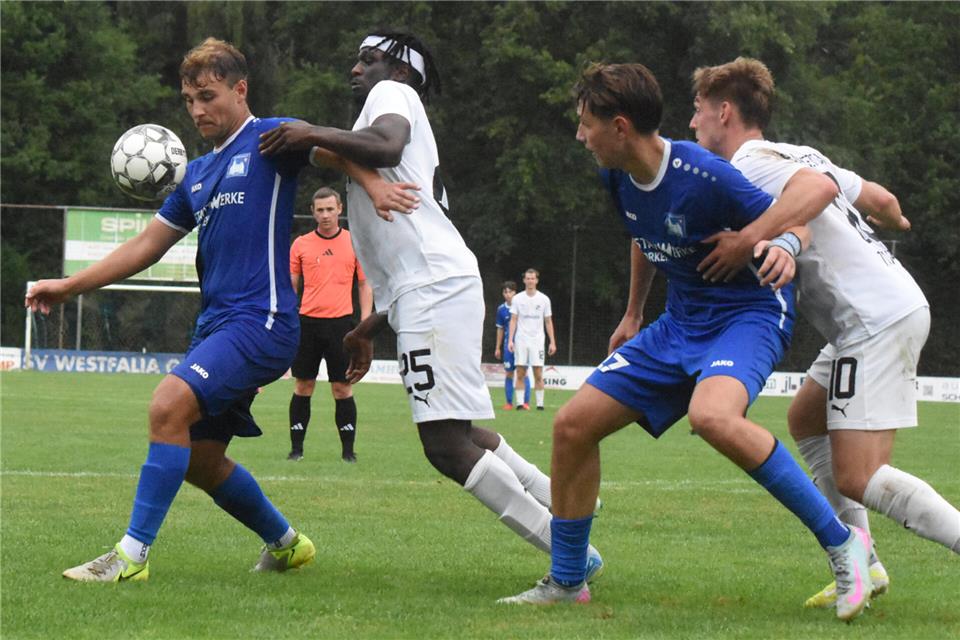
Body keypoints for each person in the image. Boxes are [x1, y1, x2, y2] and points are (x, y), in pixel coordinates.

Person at [25, 38, 415, 582]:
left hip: (264, 321)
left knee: (167, 407)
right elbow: (146, 247)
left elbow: (334, 152)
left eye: (207, 96)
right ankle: (286, 544)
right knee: (201, 459)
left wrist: (372, 186)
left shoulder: (269, 140)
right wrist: (69, 285)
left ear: (240, 89)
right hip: (216, 326)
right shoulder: (198, 176)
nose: (197, 110)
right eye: (188, 100)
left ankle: (130, 558)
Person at [501, 62, 875, 622]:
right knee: (572, 426)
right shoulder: (616, 174)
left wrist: (782, 247)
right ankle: (568, 578)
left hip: (747, 315)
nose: (580, 136)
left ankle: (845, 544)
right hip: (679, 323)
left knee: (713, 417)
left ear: (620, 126)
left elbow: (800, 220)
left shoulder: (705, 173)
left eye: (586, 124)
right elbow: (642, 234)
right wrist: (632, 313)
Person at [258, 29, 603, 577]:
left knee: (444, 445)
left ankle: (571, 557)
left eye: (369, 60)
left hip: (435, 289)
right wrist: (370, 327)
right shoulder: (387, 110)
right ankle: (569, 502)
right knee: (460, 434)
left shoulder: (392, 96)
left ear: (401, 71)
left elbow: (384, 146)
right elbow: (380, 192)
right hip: (438, 284)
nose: (356, 69)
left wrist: (308, 131)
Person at [689, 57, 960, 608]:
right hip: (883, 304)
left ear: (724, 110)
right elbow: (882, 201)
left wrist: (751, 239)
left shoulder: (750, 161)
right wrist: (896, 223)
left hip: (872, 319)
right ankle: (867, 563)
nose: (692, 124)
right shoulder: (796, 152)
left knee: (860, 475)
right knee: (805, 415)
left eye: (697, 111)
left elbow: (809, 195)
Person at [288, 186, 373, 462]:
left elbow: (364, 283)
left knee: (342, 388)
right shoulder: (300, 244)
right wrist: (288, 317)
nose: (325, 215)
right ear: (313, 212)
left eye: (330, 209)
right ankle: (296, 450)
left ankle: (348, 452)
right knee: (303, 386)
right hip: (308, 324)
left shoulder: (354, 242)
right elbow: (291, 285)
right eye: (320, 210)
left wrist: (365, 324)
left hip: (342, 327)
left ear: (340, 209)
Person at [508, 269, 557, 411]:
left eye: (532, 278)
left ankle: (540, 405)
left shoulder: (544, 299)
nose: (530, 281)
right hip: (521, 340)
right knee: (520, 372)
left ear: (537, 280)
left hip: (537, 341)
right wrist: (510, 340)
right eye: (528, 278)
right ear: (524, 280)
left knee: (538, 373)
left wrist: (552, 341)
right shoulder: (517, 299)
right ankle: (519, 404)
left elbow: (548, 321)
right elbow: (513, 320)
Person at [494, 280, 530, 410]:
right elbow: (500, 329)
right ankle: (509, 403)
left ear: (515, 292)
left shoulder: (522, 306)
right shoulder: (501, 310)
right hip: (508, 347)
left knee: (524, 373)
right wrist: (497, 347)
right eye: (505, 292)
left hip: (522, 345)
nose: (508, 294)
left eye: (510, 292)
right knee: (509, 373)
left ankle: (525, 403)